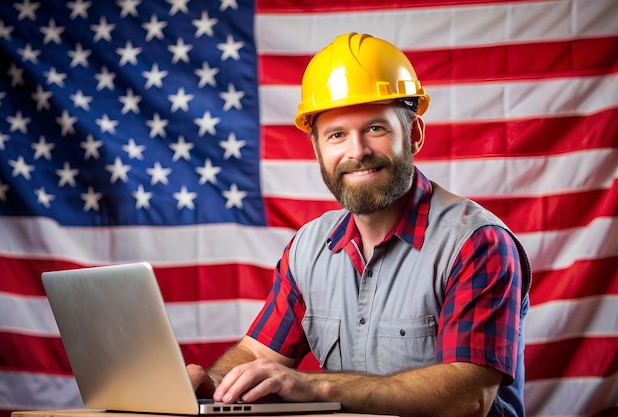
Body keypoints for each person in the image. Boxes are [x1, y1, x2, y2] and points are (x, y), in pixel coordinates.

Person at [187, 32, 532, 417]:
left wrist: (314, 385)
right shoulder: (308, 248)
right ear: (317, 149)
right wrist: (215, 384)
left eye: (375, 128)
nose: (357, 151)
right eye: (337, 135)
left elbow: (468, 399)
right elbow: (256, 352)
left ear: (414, 134)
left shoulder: (476, 243)